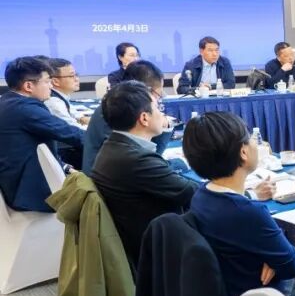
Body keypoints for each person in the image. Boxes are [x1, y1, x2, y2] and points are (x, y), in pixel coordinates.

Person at [183, 111, 295, 296]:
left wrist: (272, 259)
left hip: (237, 284)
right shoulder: (249, 212)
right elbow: (290, 266)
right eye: (250, 138)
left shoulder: (201, 195)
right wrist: (275, 260)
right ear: (243, 152)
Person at [92, 81, 200, 271]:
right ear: (144, 118)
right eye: (158, 108)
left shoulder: (115, 145)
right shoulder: (135, 159)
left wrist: (165, 129)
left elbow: (154, 160)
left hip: (140, 232)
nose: (162, 114)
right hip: (160, 245)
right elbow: (191, 193)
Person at [0, 56, 85, 212]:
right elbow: (69, 133)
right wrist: (107, 140)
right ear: (28, 86)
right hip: (31, 192)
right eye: (47, 81)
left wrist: (65, 167)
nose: (51, 86)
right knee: (98, 194)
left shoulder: (7, 101)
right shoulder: (26, 109)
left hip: (13, 183)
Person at [82, 60, 174, 172]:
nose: (158, 101)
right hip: (106, 178)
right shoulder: (118, 110)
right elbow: (144, 161)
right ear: (146, 91)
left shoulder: (117, 104)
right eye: (158, 95)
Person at [44, 58, 89, 169]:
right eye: (72, 76)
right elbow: (73, 129)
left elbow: (75, 114)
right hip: (65, 151)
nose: (77, 79)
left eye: (76, 74)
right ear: (55, 81)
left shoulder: (61, 96)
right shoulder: (53, 101)